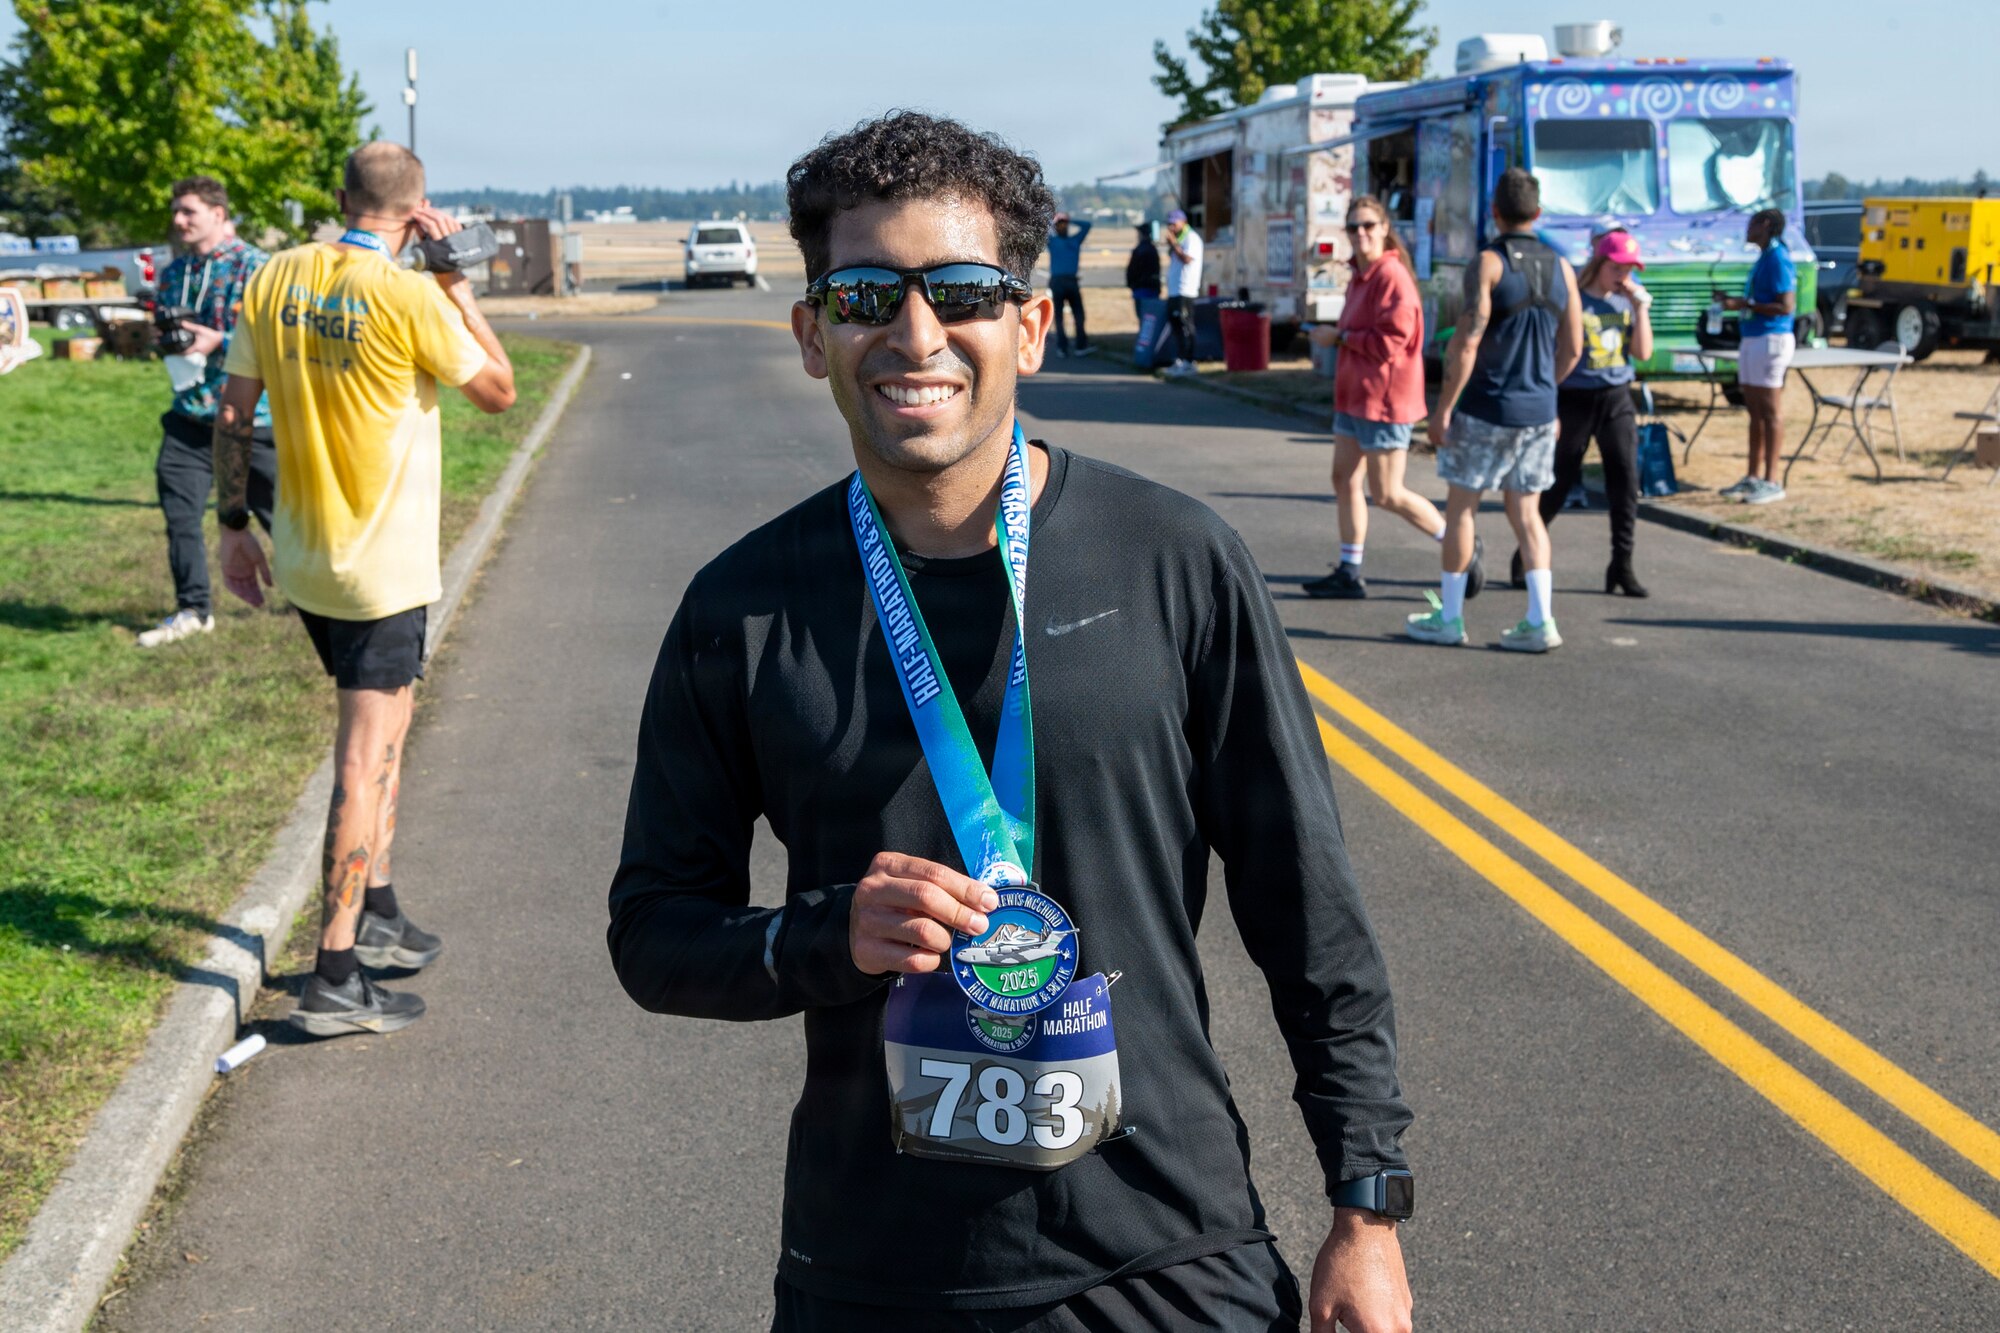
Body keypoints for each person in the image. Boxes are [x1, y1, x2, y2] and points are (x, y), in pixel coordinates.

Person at [607, 111, 1414, 1333]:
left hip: (1162, 1256)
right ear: (813, 333)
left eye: (962, 292)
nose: (914, 333)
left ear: (1028, 326)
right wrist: (830, 934)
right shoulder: (744, 608)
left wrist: (1365, 1203)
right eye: (866, 294)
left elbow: (1306, 904)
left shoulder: (1173, 559)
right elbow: (655, 934)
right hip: (876, 1272)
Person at [214, 142, 517, 1036]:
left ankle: (376, 904)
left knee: (391, 729)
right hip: (380, 573)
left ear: (342, 197)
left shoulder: (275, 276)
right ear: (419, 213)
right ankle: (337, 971)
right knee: (363, 758)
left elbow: (232, 410)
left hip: (308, 560)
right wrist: (456, 282)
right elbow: (498, 390)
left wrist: (231, 526)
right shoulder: (410, 294)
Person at [1419, 167, 1583, 653]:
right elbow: (1574, 348)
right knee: (1528, 514)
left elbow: (1468, 341)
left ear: (1494, 211)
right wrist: (1545, 390)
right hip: (1538, 410)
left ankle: (1450, 617)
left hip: (1485, 406)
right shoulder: (1563, 267)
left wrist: (1443, 408)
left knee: (1462, 508)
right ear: (1538, 212)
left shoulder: (1488, 263)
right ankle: (1540, 619)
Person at [1303, 195, 1483, 601]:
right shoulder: (1360, 274)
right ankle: (1349, 570)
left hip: (1384, 402)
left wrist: (1340, 337)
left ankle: (1460, 545)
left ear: (1385, 228)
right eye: (1353, 226)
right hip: (1353, 396)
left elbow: (1393, 341)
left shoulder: (1392, 276)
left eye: (1368, 225)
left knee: (1387, 493)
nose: (1360, 233)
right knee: (1344, 479)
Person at [136, 176, 277, 649]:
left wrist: (221, 342)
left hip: (253, 417)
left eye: (188, 211)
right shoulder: (175, 272)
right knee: (180, 515)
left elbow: (279, 341)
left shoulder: (258, 268)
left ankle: (324, 600)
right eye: (175, 212)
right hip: (190, 414)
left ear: (218, 214)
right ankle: (193, 609)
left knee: (283, 518)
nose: (179, 220)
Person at [1539, 229, 1654, 597]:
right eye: (1617, 268)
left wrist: (1640, 309)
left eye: (1629, 269)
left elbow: (1643, 353)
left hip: (1616, 397)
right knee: (1559, 482)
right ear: (1599, 264)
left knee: (1625, 481)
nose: (1623, 276)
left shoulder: (1626, 301)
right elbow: (1556, 352)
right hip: (1575, 397)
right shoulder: (1574, 299)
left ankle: (1622, 564)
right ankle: (1528, 553)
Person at [1717, 208, 1795, 505]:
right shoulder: (1765, 256)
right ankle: (1752, 477)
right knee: (1754, 411)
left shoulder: (1778, 258)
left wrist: (1745, 304)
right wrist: (1738, 303)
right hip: (1753, 337)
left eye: (1751, 224)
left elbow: (1786, 306)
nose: (1746, 230)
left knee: (1770, 411)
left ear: (1765, 224)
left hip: (1771, 339)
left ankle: (1772, 481)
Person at [1160, 206, 1203, 377]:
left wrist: (1174, 244)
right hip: (1174, 290)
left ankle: (1189, 361)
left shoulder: (1191, 238)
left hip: (1186, 289)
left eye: (1174, 223)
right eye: (1169, 224)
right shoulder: (1180, 238)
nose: (1171, 227)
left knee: (1186, 325)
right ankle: (1179, 359)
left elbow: (1187, 259)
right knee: (1175, 325)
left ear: (1183, 222)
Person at [1045, 211, 1093, 358]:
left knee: (1060, 316)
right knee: (1078, 314)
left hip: (1058, 281)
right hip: (1070, 281)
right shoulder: (1074, 241)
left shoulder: (1053, 241)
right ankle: (1080, 345)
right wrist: (1069, 220)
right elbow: (1087, 225)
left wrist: (1055, 221)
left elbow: (1044, 227)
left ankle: (1063, 347)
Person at [1124, 220, 1161, 323]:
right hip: (1151, 288)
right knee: (1150, 318)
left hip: (1141, 288)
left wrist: (1131, 284)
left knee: (1144, 317)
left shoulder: (1140, 250)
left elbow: (1132, 270)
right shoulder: (1152, 249)